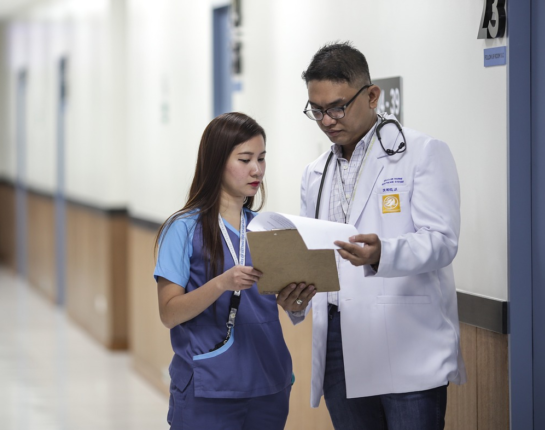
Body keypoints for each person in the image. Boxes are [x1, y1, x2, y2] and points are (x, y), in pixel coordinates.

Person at [291, 42, 467, 429]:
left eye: (337, 107)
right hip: (338, 342)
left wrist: (382, 253)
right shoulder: (314, 173)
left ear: (372, 96)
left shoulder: (421, 153)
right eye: (316, 111)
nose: (327, 120)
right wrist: (294, 297)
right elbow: (311, 252)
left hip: (405, 345)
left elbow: (442, 241)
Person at [154, 112, 316, 430]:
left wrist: (296, 301)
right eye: (245, 159)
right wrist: (221, 284)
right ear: (216, 162)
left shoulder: (268, 229)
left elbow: (281, 306)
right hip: (208, 388)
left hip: (269, 385)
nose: (256, 169)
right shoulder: (183, 229)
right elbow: (169, 314)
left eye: (261, 158)